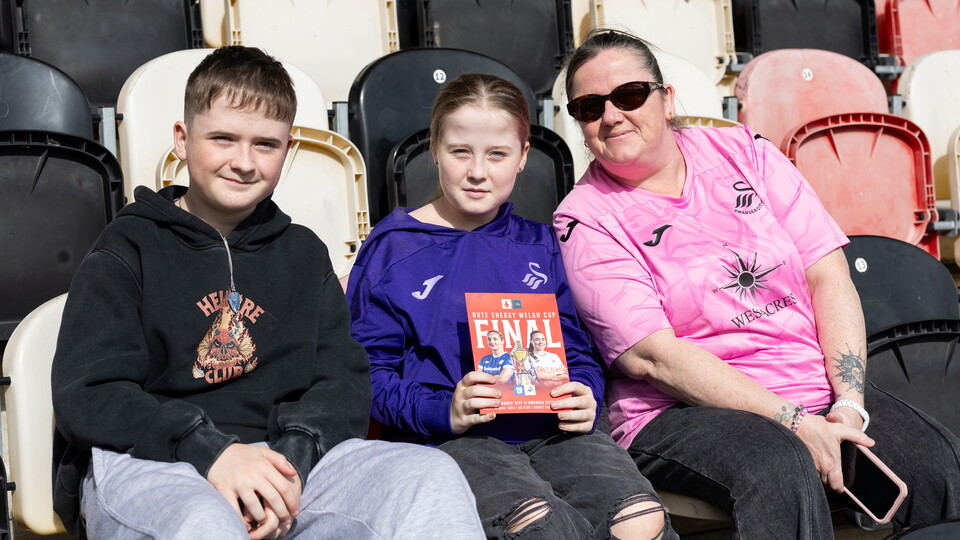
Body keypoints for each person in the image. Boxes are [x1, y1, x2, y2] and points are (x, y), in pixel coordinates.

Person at [50, 46, 484, 540]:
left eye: (265, 144)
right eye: (222, 138)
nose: (243, 162)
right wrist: (210, 451)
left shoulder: (302, 253)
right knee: (204, 525)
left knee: (428, 477)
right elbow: (87, 395)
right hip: (154, 459)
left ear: (288, 147)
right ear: (182, 140)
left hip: (285, 463)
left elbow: (342, 380)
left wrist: (287, 466)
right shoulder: (127, 247)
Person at [554, 28, 960, 538]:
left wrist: (849, 406)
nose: (610, 115)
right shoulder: (583, 220)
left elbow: (828, 276)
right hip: (681, 409)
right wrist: (798, 423)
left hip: (814, 389)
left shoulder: (745, 152)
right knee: (778, 466)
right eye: (589, 107)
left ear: (667, 98)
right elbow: (653, 357)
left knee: (935, 459)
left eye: (629, 95)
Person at [346, 73, 675, 540]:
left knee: (639, 520)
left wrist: (584, 393)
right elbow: (367, 376)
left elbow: (577, 352)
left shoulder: (542, 244)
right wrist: (447, 410)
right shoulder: (392, 249)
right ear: (434, 149)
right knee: (542, 527)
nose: (477, 171)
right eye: (460, 152)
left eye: (497, 154)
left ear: (522, 158)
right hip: (450, 441)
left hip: (555, 435)